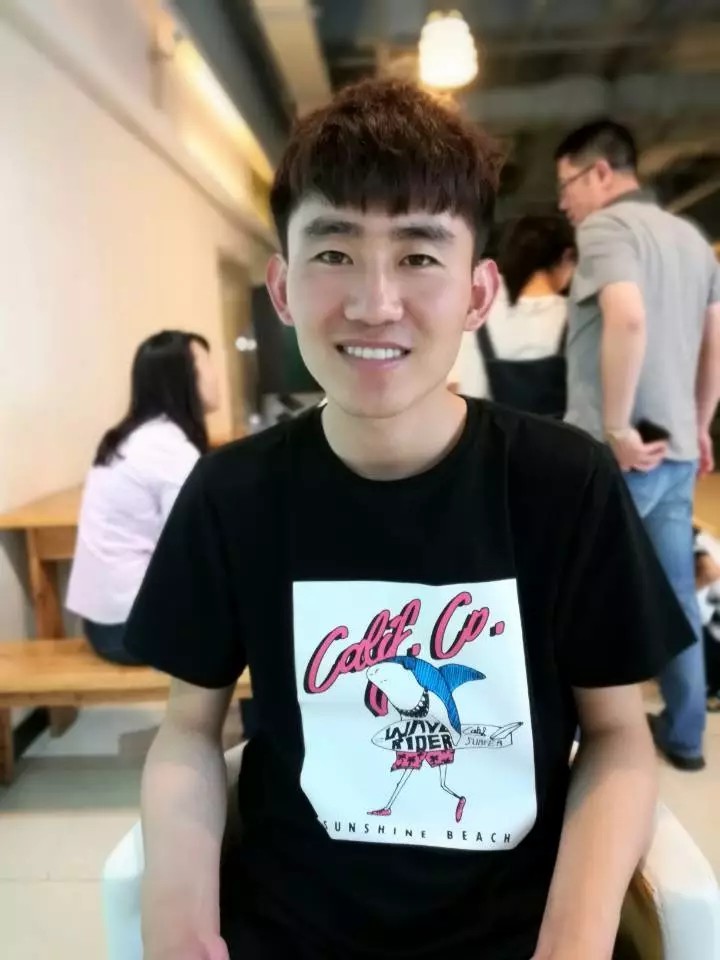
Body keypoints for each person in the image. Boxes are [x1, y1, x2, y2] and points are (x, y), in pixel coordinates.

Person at [125, 80, 694, 960]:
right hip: (292, 930)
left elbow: (618, 738)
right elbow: (188, 732)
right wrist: (178, 922)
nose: (375, 301)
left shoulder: (563, 482)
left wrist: (571, 940)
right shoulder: (233, 494)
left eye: (420, 255)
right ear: (282, 286)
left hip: (512, 931)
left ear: (477, 293)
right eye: (334, 251)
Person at [555, 119, 720, 771]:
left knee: (576, 595)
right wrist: (700, 423)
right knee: (675, 593)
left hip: (618, 456)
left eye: (568, 184)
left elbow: (626, 316)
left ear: (600, 172)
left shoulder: (606, 229)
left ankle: (576, 738)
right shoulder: (692, 238)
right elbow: (714, 342)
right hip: (675, 451)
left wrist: (618, 427)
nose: (564, 202)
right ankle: (684, 735)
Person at [66, 330, 219, 664]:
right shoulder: (168, 448)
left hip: (105, 622)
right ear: (183, 378)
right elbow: (195, 546)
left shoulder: (138, 436)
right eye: (207, 364)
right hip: (129, 629)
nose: (216, 376)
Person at [451, 215, 576, 416]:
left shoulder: (481, 317)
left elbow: (471, 394)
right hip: (565, 435)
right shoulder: (574, 316)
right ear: (566, 256)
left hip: (498, 434)